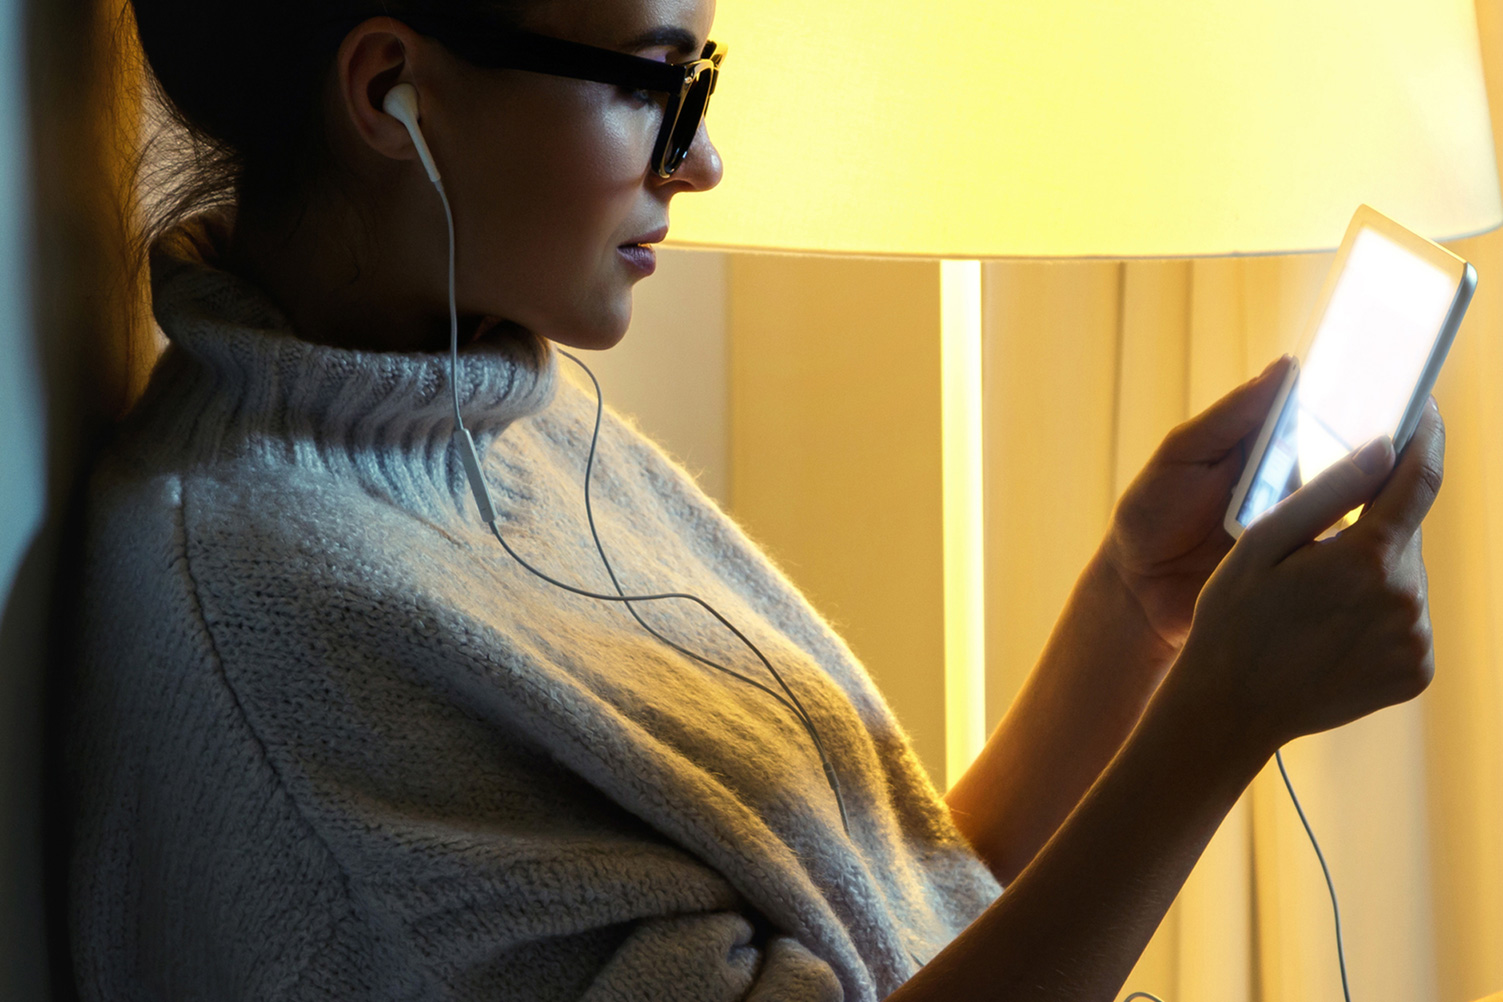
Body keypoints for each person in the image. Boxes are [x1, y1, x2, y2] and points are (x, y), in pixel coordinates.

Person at [67, 0, 1446, 998]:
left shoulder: (501, 421)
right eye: (660, 79)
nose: (701, 159)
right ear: (389, 95)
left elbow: (872, 922)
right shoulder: (273, 620)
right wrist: (1215, 727)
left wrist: (1128, 618)